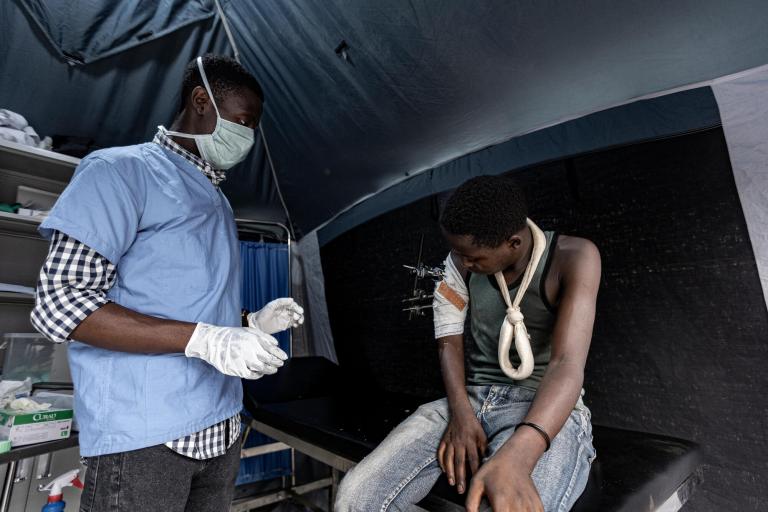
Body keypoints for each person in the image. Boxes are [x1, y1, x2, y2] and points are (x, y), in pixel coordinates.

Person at [30, 55, 303, 511]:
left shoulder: (215, 197)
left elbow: (188, 303)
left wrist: (248, 322)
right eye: (243, 121)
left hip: (222, 426)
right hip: (146, 439)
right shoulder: (119, 172)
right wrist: (205, 339)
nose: (248, 137)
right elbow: (62, 302)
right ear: (201, 100)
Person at [336, 175, 600, 511]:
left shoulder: (574, 256)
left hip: (545, 409)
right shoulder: (458, 262)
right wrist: (461, 415)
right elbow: (448, 339)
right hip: (473, 400)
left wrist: (522, 451)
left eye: (473, 258)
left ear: (513, 244)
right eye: (459, 254)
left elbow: (567, 364)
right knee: (355, 498)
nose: (463, 264)